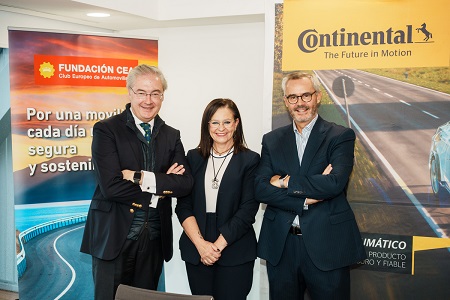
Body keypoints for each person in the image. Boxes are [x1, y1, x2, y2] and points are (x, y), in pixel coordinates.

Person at [80, 64, 194, 300]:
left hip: (153, 240)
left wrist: (138, 177)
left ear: (163, 95)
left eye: (155, 93)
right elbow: (110, 187)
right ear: (130, 92)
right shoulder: (107, 130)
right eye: (141, 92)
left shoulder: (172, 135)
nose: (148, 100)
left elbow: (185, 184)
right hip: (113, 238)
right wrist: (161, 188)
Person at [255, 72, 366, 300]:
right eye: (293, 97)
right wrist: (304, 199)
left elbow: (334, 183)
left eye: (306, 95)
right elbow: (260, 189)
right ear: (286, 101)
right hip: (282, 246)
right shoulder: (272, 140)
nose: (300, 103)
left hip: (328, 245)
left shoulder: (340, 136)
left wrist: (284, 181)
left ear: (318, 97)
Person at [175, 98, 260, 300]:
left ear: (236, 124)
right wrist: (201, 245)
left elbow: (247, 210)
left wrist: (216, 248)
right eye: (214, 122)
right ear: (207, 125)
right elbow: (183, 206)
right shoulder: (193, 157)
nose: (220, 128)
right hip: (197, 247)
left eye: (227, 122)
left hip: (235, 247)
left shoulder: (251, 160)